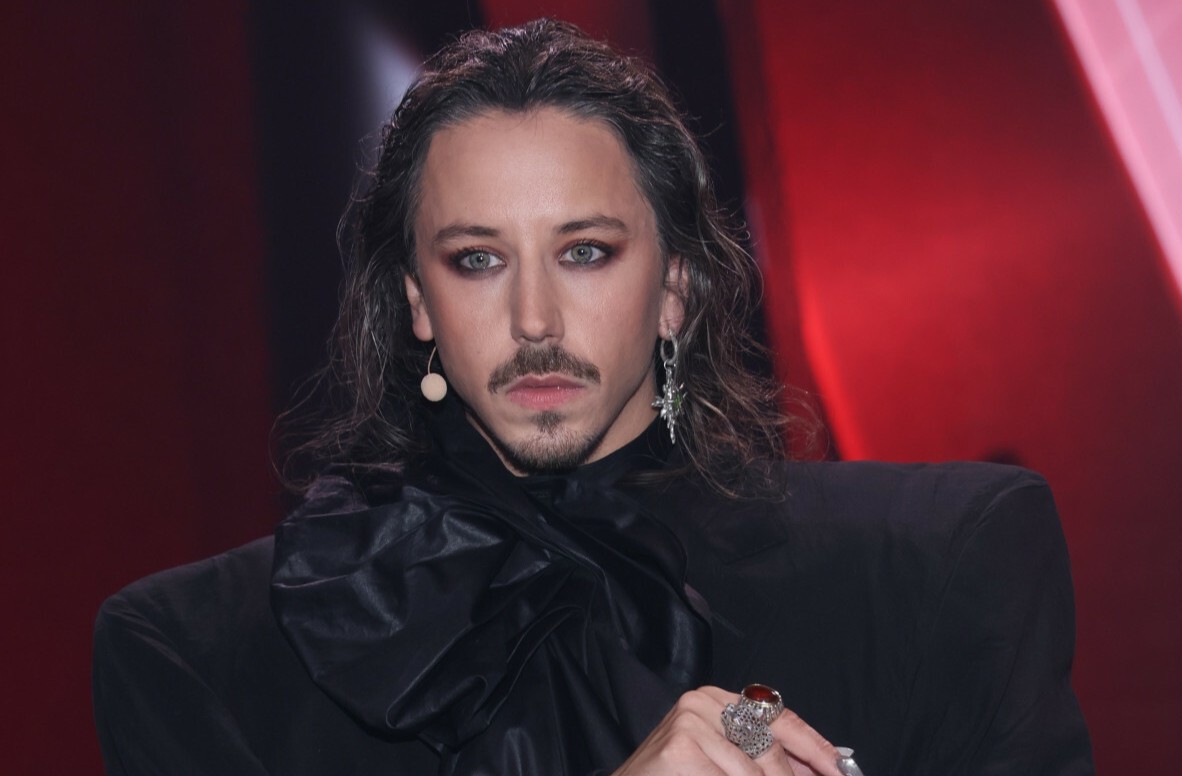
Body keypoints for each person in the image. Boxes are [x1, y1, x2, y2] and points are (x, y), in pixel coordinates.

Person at [92, 18, 1094, 776]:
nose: (534, 318)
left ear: (675, 287)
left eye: (585, 252)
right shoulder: (210, 655)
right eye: (477, 258)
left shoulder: (930, 571)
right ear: (417, 304)